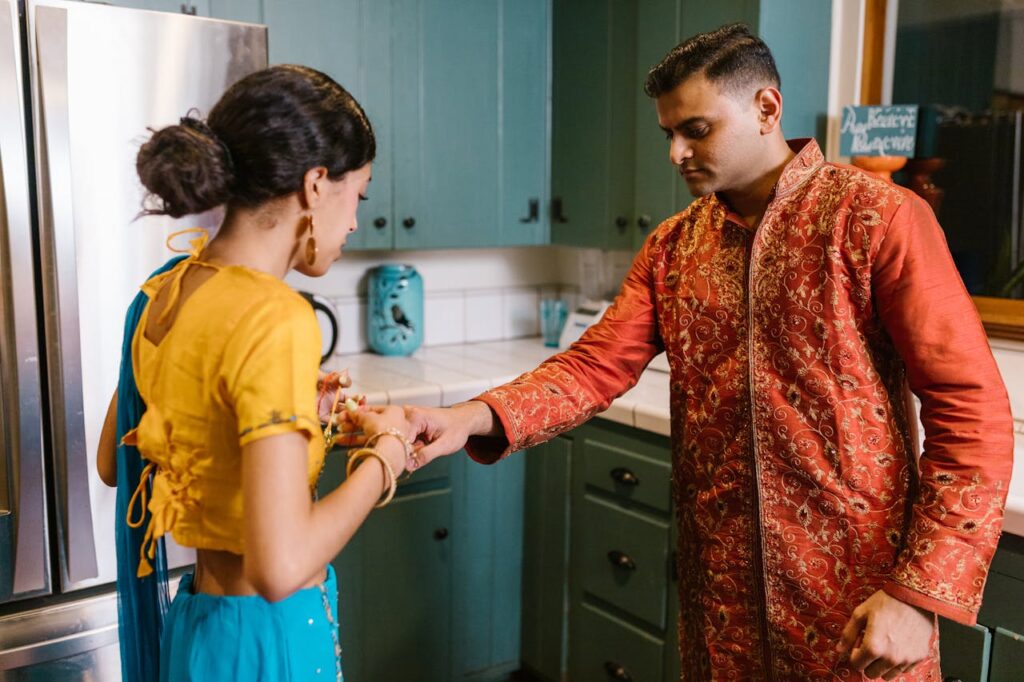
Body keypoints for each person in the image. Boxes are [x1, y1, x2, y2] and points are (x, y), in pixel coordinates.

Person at [406, 24, 1015, 681]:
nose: (675, 152)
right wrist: (468, 417)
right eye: (667, 132)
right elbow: (591, 368)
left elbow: (972, 414)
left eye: (695, 129)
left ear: (766, 108)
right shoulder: (673, 247)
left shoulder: (875, 220)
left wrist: (917, 596)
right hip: (721, 602)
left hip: (861, 606)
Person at [96, 65, 416, 681]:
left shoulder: (165, 293)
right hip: (266, 641)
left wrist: (303, 420)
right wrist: (388, 456)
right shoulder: (277, 316)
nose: (354, 222)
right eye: (359, 196)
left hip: (198, 631)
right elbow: (280, 565)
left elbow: (117, 462)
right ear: (316, 185)